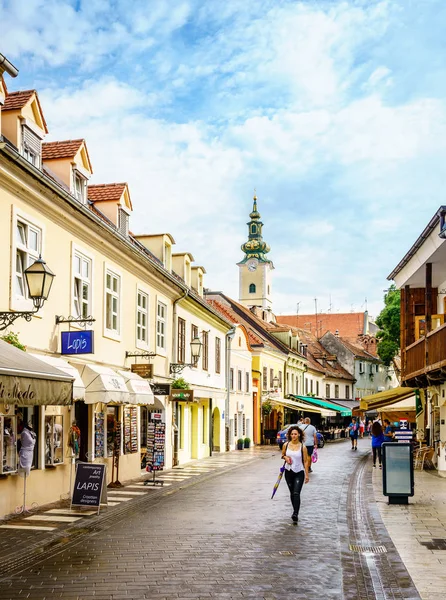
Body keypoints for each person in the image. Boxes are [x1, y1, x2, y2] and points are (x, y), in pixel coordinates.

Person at [281, 425, 309, 523]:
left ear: (299, 435)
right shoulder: (286, 445)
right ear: (290, 435)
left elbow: (305, 461)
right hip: (288, 472)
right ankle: (295, 511)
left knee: (296, 493)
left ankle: (295, 513)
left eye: (295, 434)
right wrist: (286, 458)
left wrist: (307, 474)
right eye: (292, 434)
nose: (293, 436)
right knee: (292, 493)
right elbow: (283, 455)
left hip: (299, 472)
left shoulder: (303, 447)